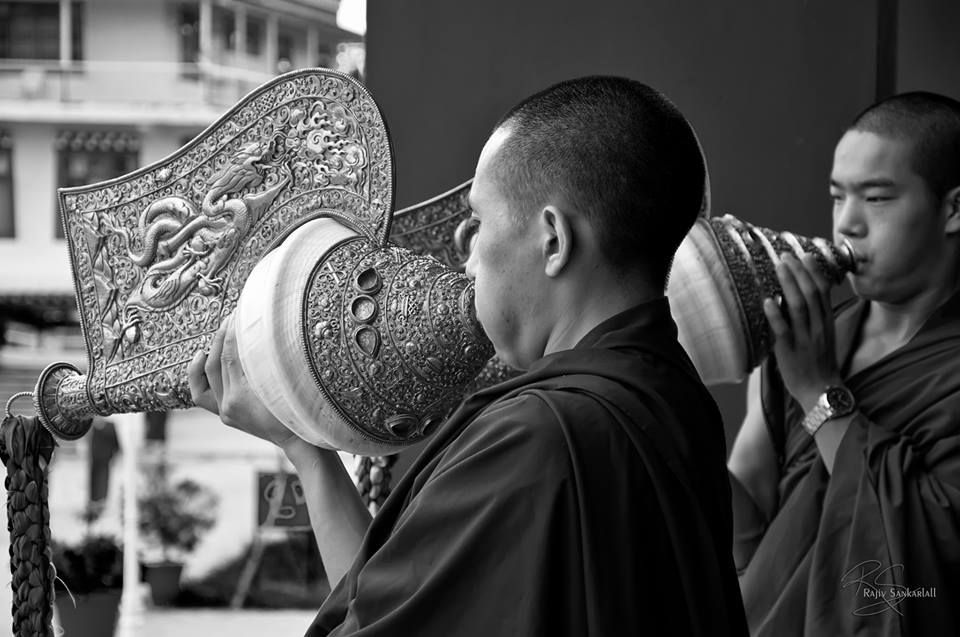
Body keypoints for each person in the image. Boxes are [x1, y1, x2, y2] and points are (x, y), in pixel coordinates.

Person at [190, 76, 747, 636]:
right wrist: (303, 445)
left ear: (553, 240)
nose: (468, 254)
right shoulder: (678, 402)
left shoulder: (536, 436)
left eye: (478, 222)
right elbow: (390, 603)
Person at [728, 91, 960, 636]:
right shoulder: (805, 337)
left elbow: (925, 564)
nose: (847, 225)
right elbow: (750, 517)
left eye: (876, 199)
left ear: (952, 209)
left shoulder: (813, 358)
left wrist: (817, 390)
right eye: (837, 198)